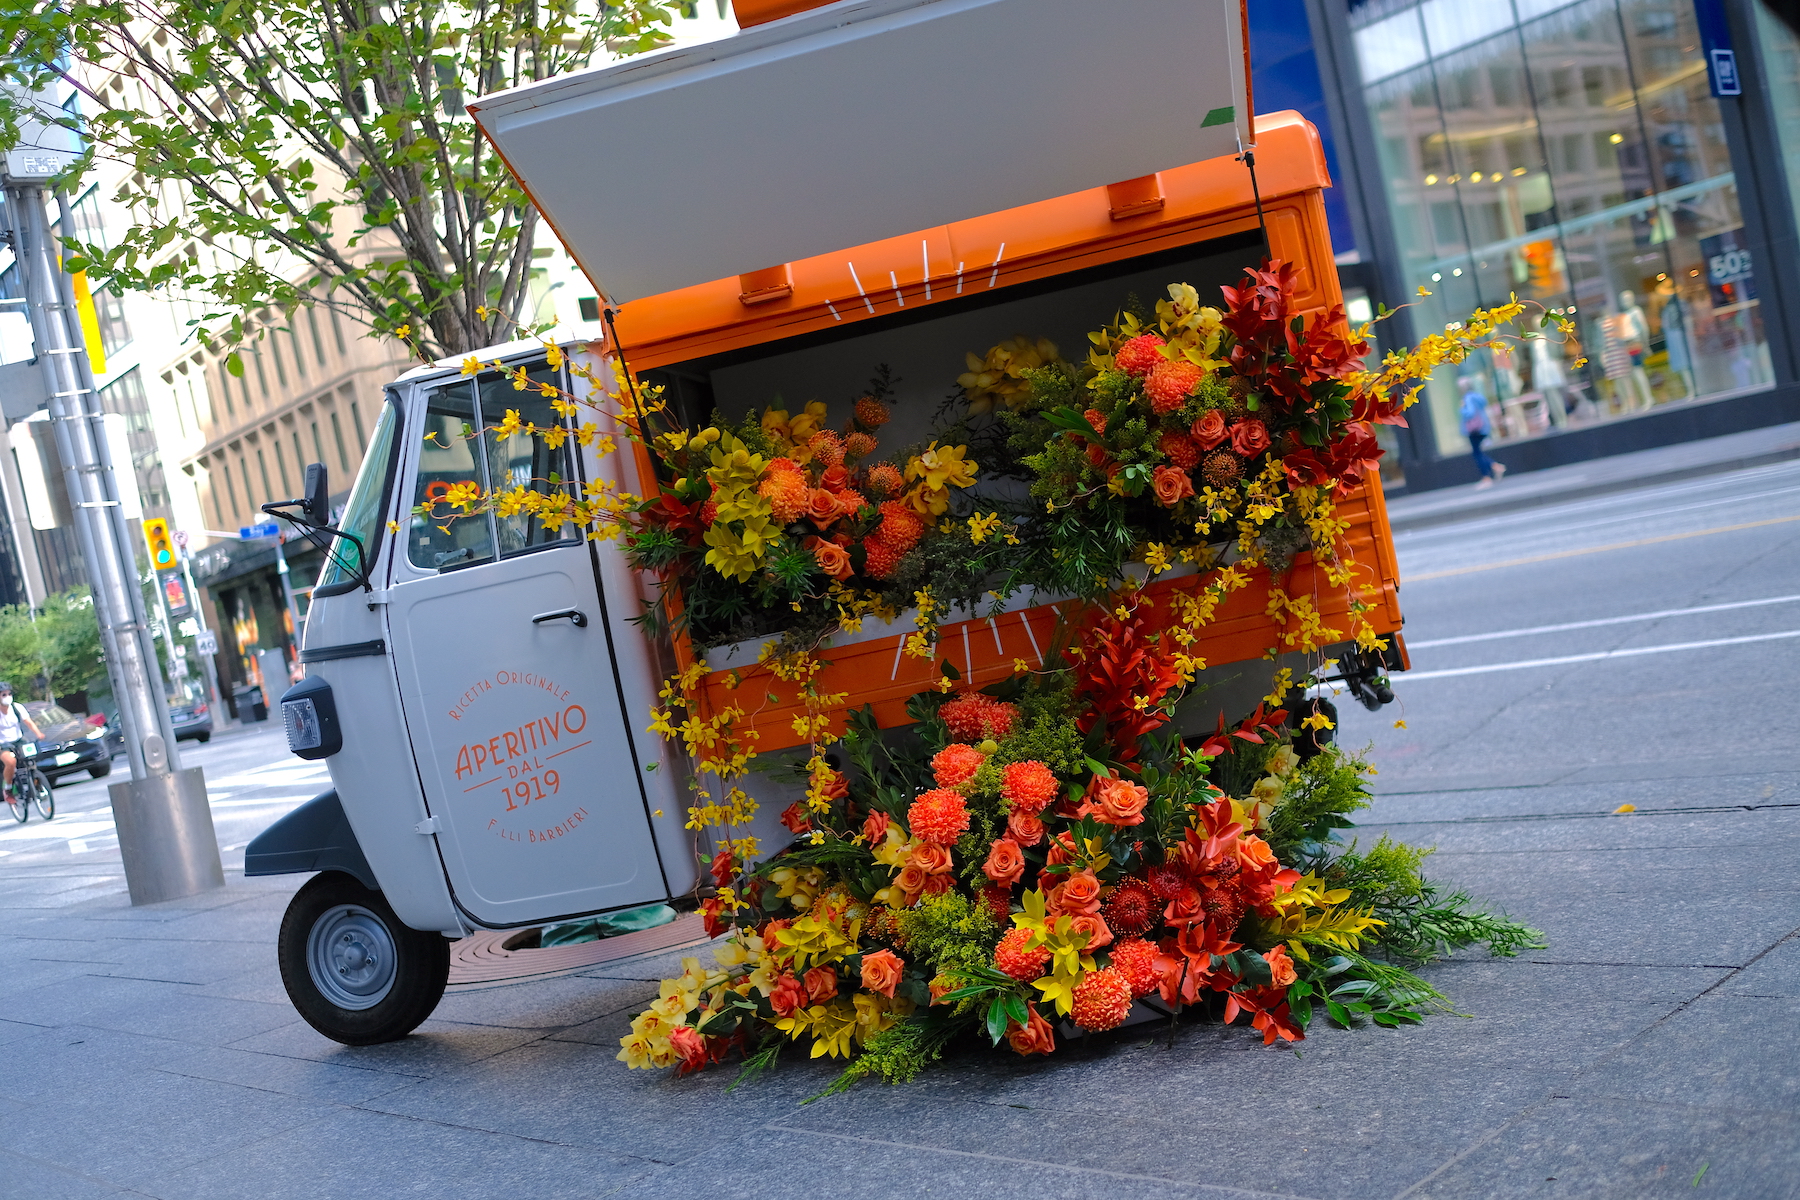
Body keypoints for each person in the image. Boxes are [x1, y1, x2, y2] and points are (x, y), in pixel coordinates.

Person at [1459, 377, 1506, 489]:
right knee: (1478, 452)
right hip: (1482, 427)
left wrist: (1462, 409)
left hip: (1474, 429)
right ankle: (1495, 466)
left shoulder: (1467, 398)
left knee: (1477, 453)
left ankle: (1487, 477)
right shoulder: (1477, 396)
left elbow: (1469, 413)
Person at [0, 681, 44, 797]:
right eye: (3, 695)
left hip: (19, 739)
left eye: (9, 694)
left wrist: (38, 733)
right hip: (3, 743)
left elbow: (28, 721)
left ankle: (37, 784)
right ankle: (8, 788)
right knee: (11, 762)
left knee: (31, 758)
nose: (7, 697)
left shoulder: (17, 707)